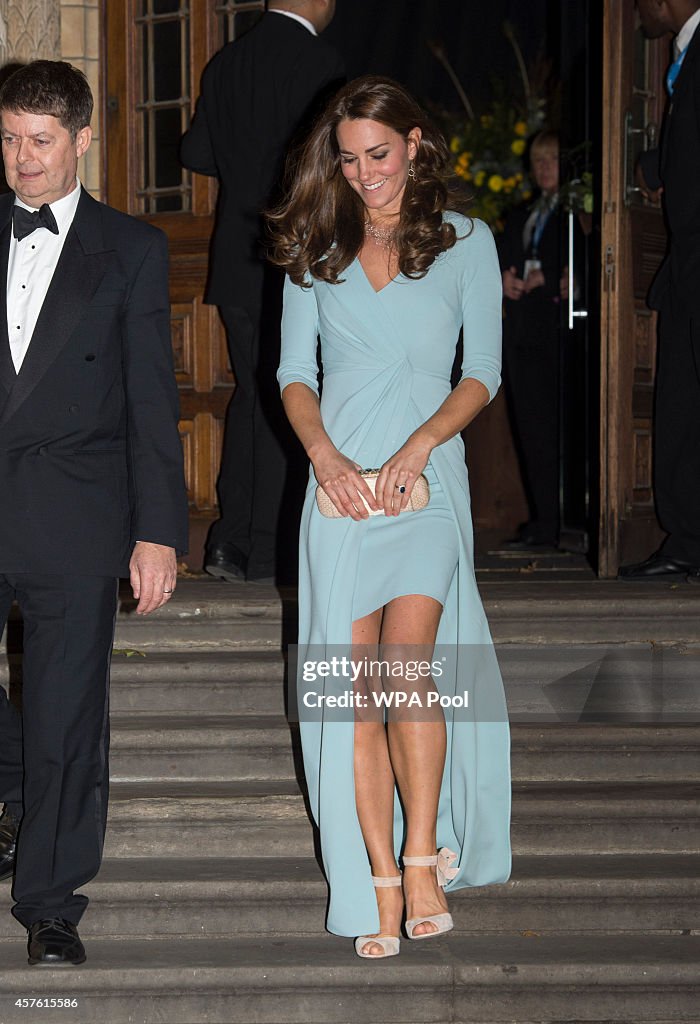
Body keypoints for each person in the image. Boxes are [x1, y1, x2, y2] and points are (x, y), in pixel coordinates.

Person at [268, 75, 511, 958]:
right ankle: (373, 874)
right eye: (349, 159)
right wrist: (325, 460)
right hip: (339, 488)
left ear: (414, 143)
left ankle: (419, 856)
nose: (365, 174)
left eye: (379, 154)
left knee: (408, 665)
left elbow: (481, 371)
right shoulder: (314, 250)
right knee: (353, 694)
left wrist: (416, 449)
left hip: (424, 480)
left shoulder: (468, 241)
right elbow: (294, 375)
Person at [0, 60, 188, 965]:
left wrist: (157, 531)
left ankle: (49, 901)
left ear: (81, 139)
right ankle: (12, 785)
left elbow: (153, 401)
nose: (21, 160)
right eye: (7, 139)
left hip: (74, 510)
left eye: (40, 142)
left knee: (67, 715)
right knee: (31, 727)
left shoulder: (133, 247)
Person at [180, 0, 344, 584]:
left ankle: (229, 541)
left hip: (234, 259)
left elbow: (194, 152)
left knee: (253, 395)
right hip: (294, 257)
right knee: (288, 395)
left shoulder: (226, 62)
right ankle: (272, 547)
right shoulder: (320, 63)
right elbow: (334, 164)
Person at [619, 0, 700, 582]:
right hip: (686, 259)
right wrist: (657, 163)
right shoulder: (686, 55)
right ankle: (688, 538)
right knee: (679, 399)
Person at [498, 131, 569, 549]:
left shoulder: (578, 214)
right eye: (539, 161)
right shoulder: (522, 212)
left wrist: (553, 276)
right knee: (530, 430)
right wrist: (503, 277)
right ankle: (543, 521)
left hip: (558, 333)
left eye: (553, 160)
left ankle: (562, 521)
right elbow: (503, 257)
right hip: (524, 335)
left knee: (558, 430)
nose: (544, 169)